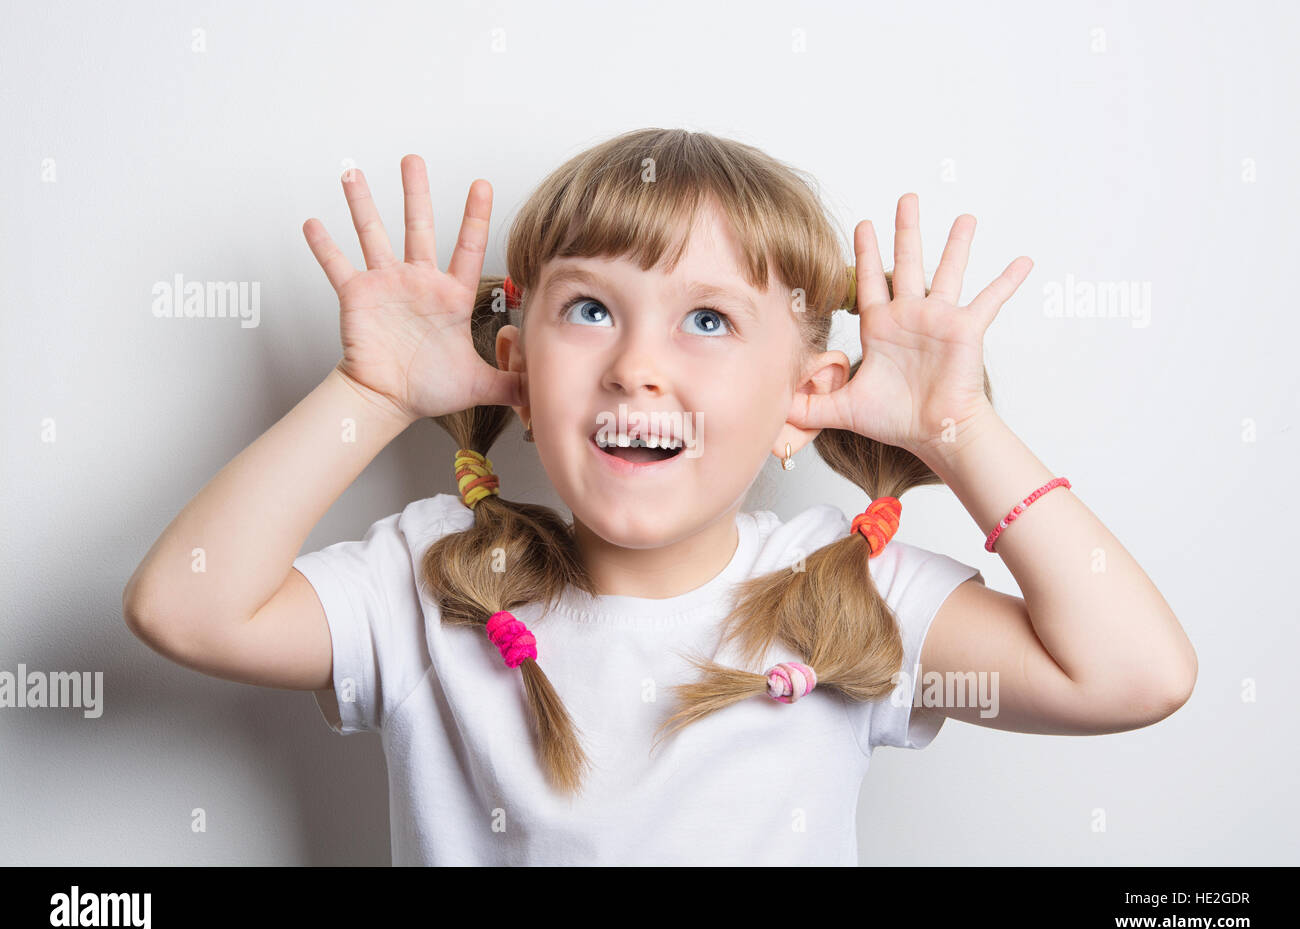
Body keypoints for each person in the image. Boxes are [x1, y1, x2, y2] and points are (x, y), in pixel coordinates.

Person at [122, 128, 1197, 865]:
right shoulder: (426, 580)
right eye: (589, 309)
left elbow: (1133, 674)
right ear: (518, 376)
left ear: (805, 399)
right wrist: (370, 392)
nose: (638, 363)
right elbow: (186, 606)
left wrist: (957, 431)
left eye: (710, 321)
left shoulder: (854, 598)